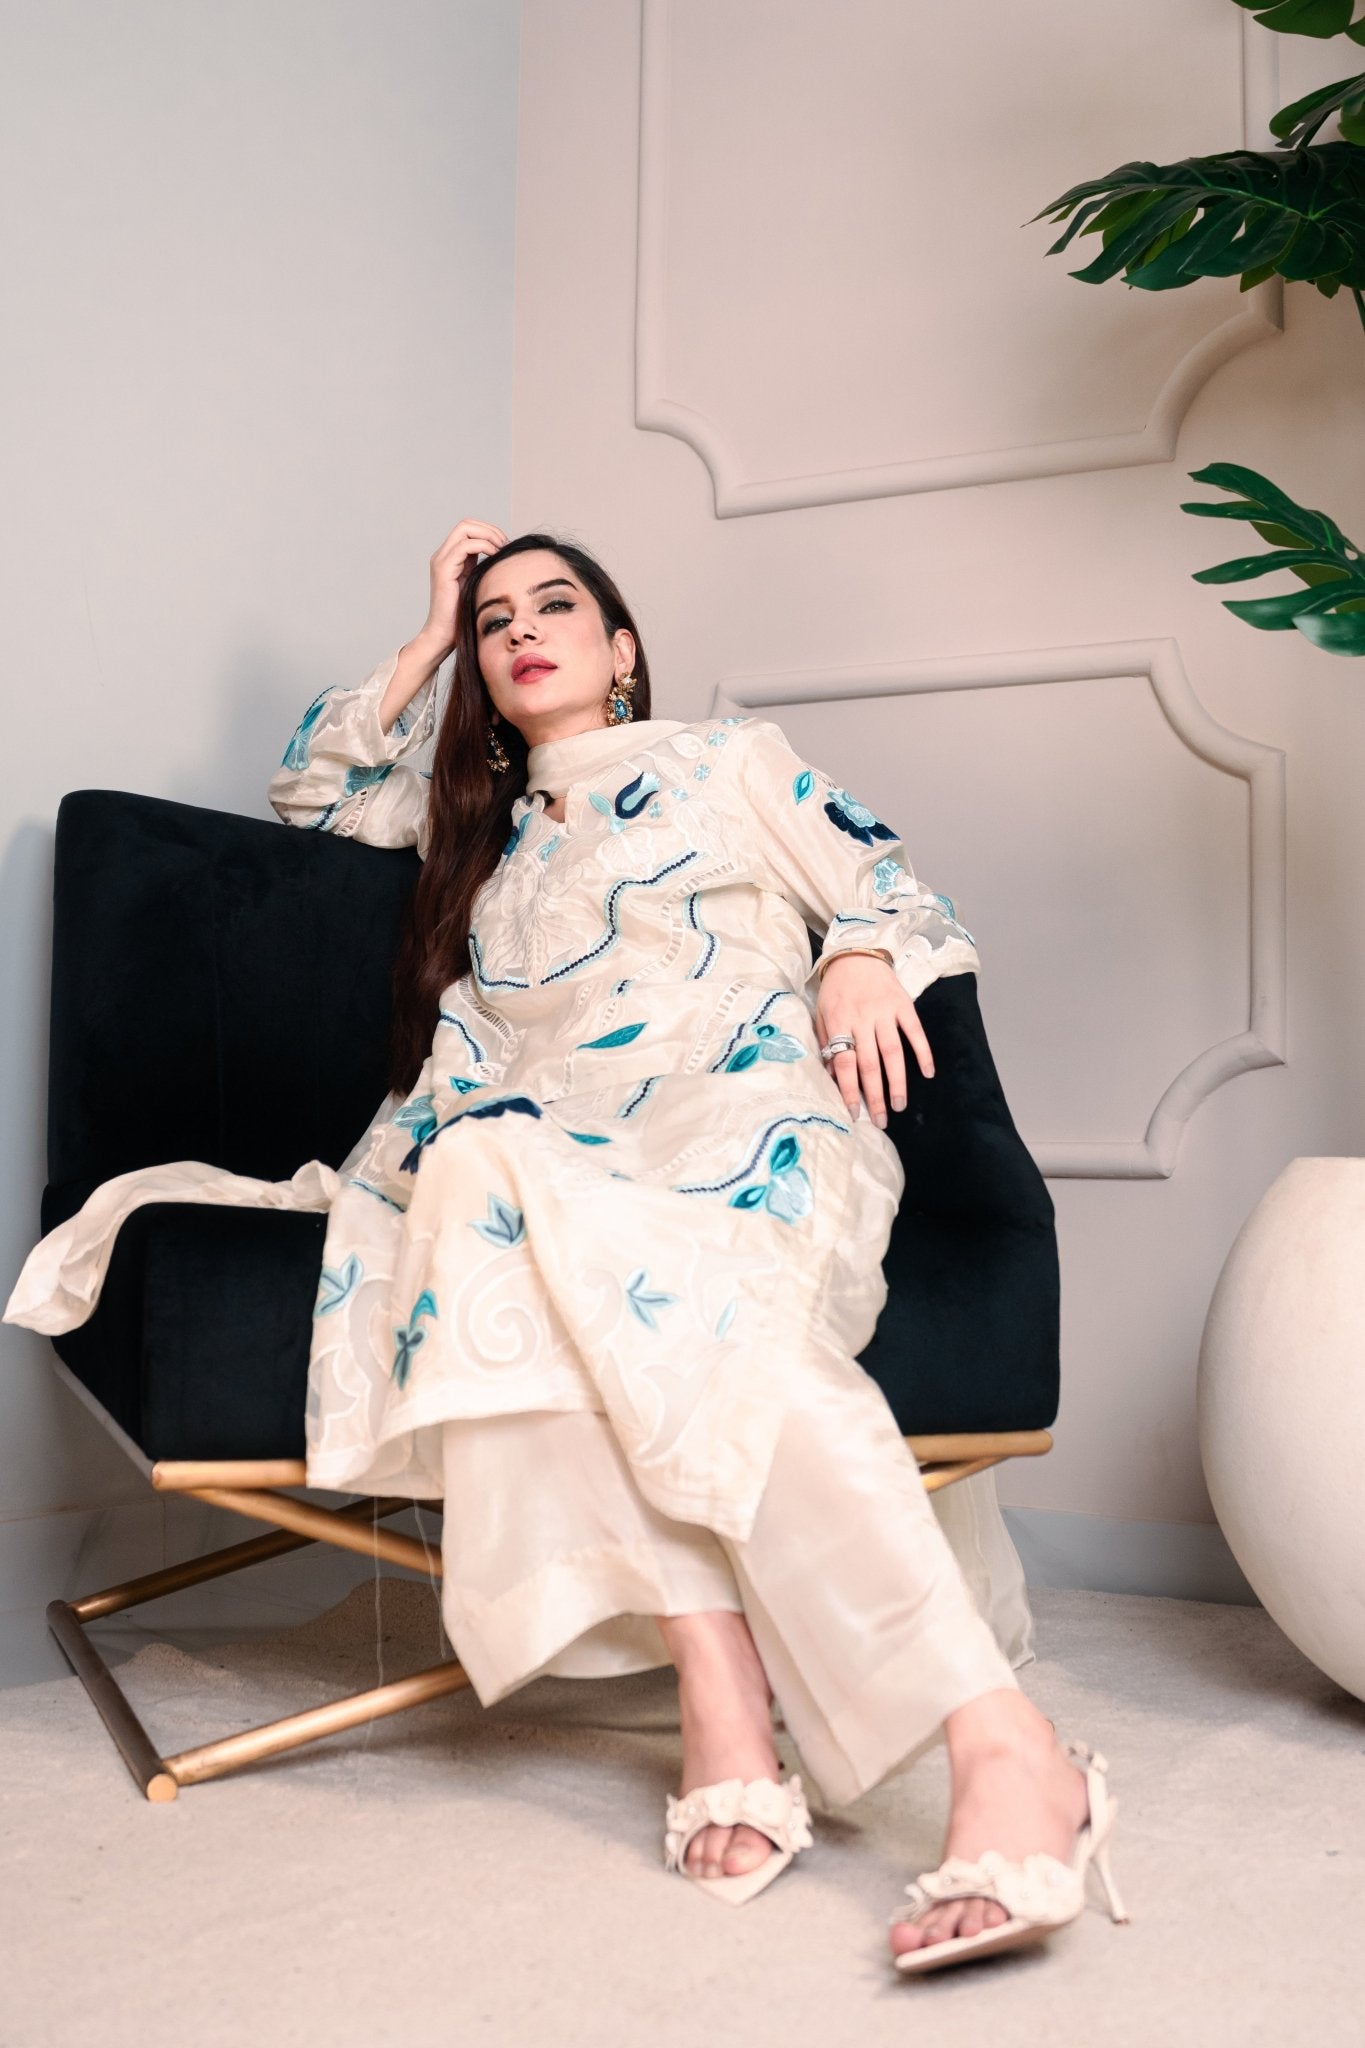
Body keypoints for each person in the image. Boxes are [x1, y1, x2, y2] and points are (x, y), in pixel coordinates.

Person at [5, 517, 1127, 1972]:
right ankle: (723, 1689)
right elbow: (315, 789)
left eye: (554, 606)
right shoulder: (476, 831)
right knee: (481, 1169)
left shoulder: (728, 762)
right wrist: (425, 633)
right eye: (494, 622)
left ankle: (998, 1744)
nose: (521, 630)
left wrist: (856, 951)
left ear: (621, 648)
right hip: (528, 1152)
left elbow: (888, 885)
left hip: (729, 1125)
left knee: (628, 1268)